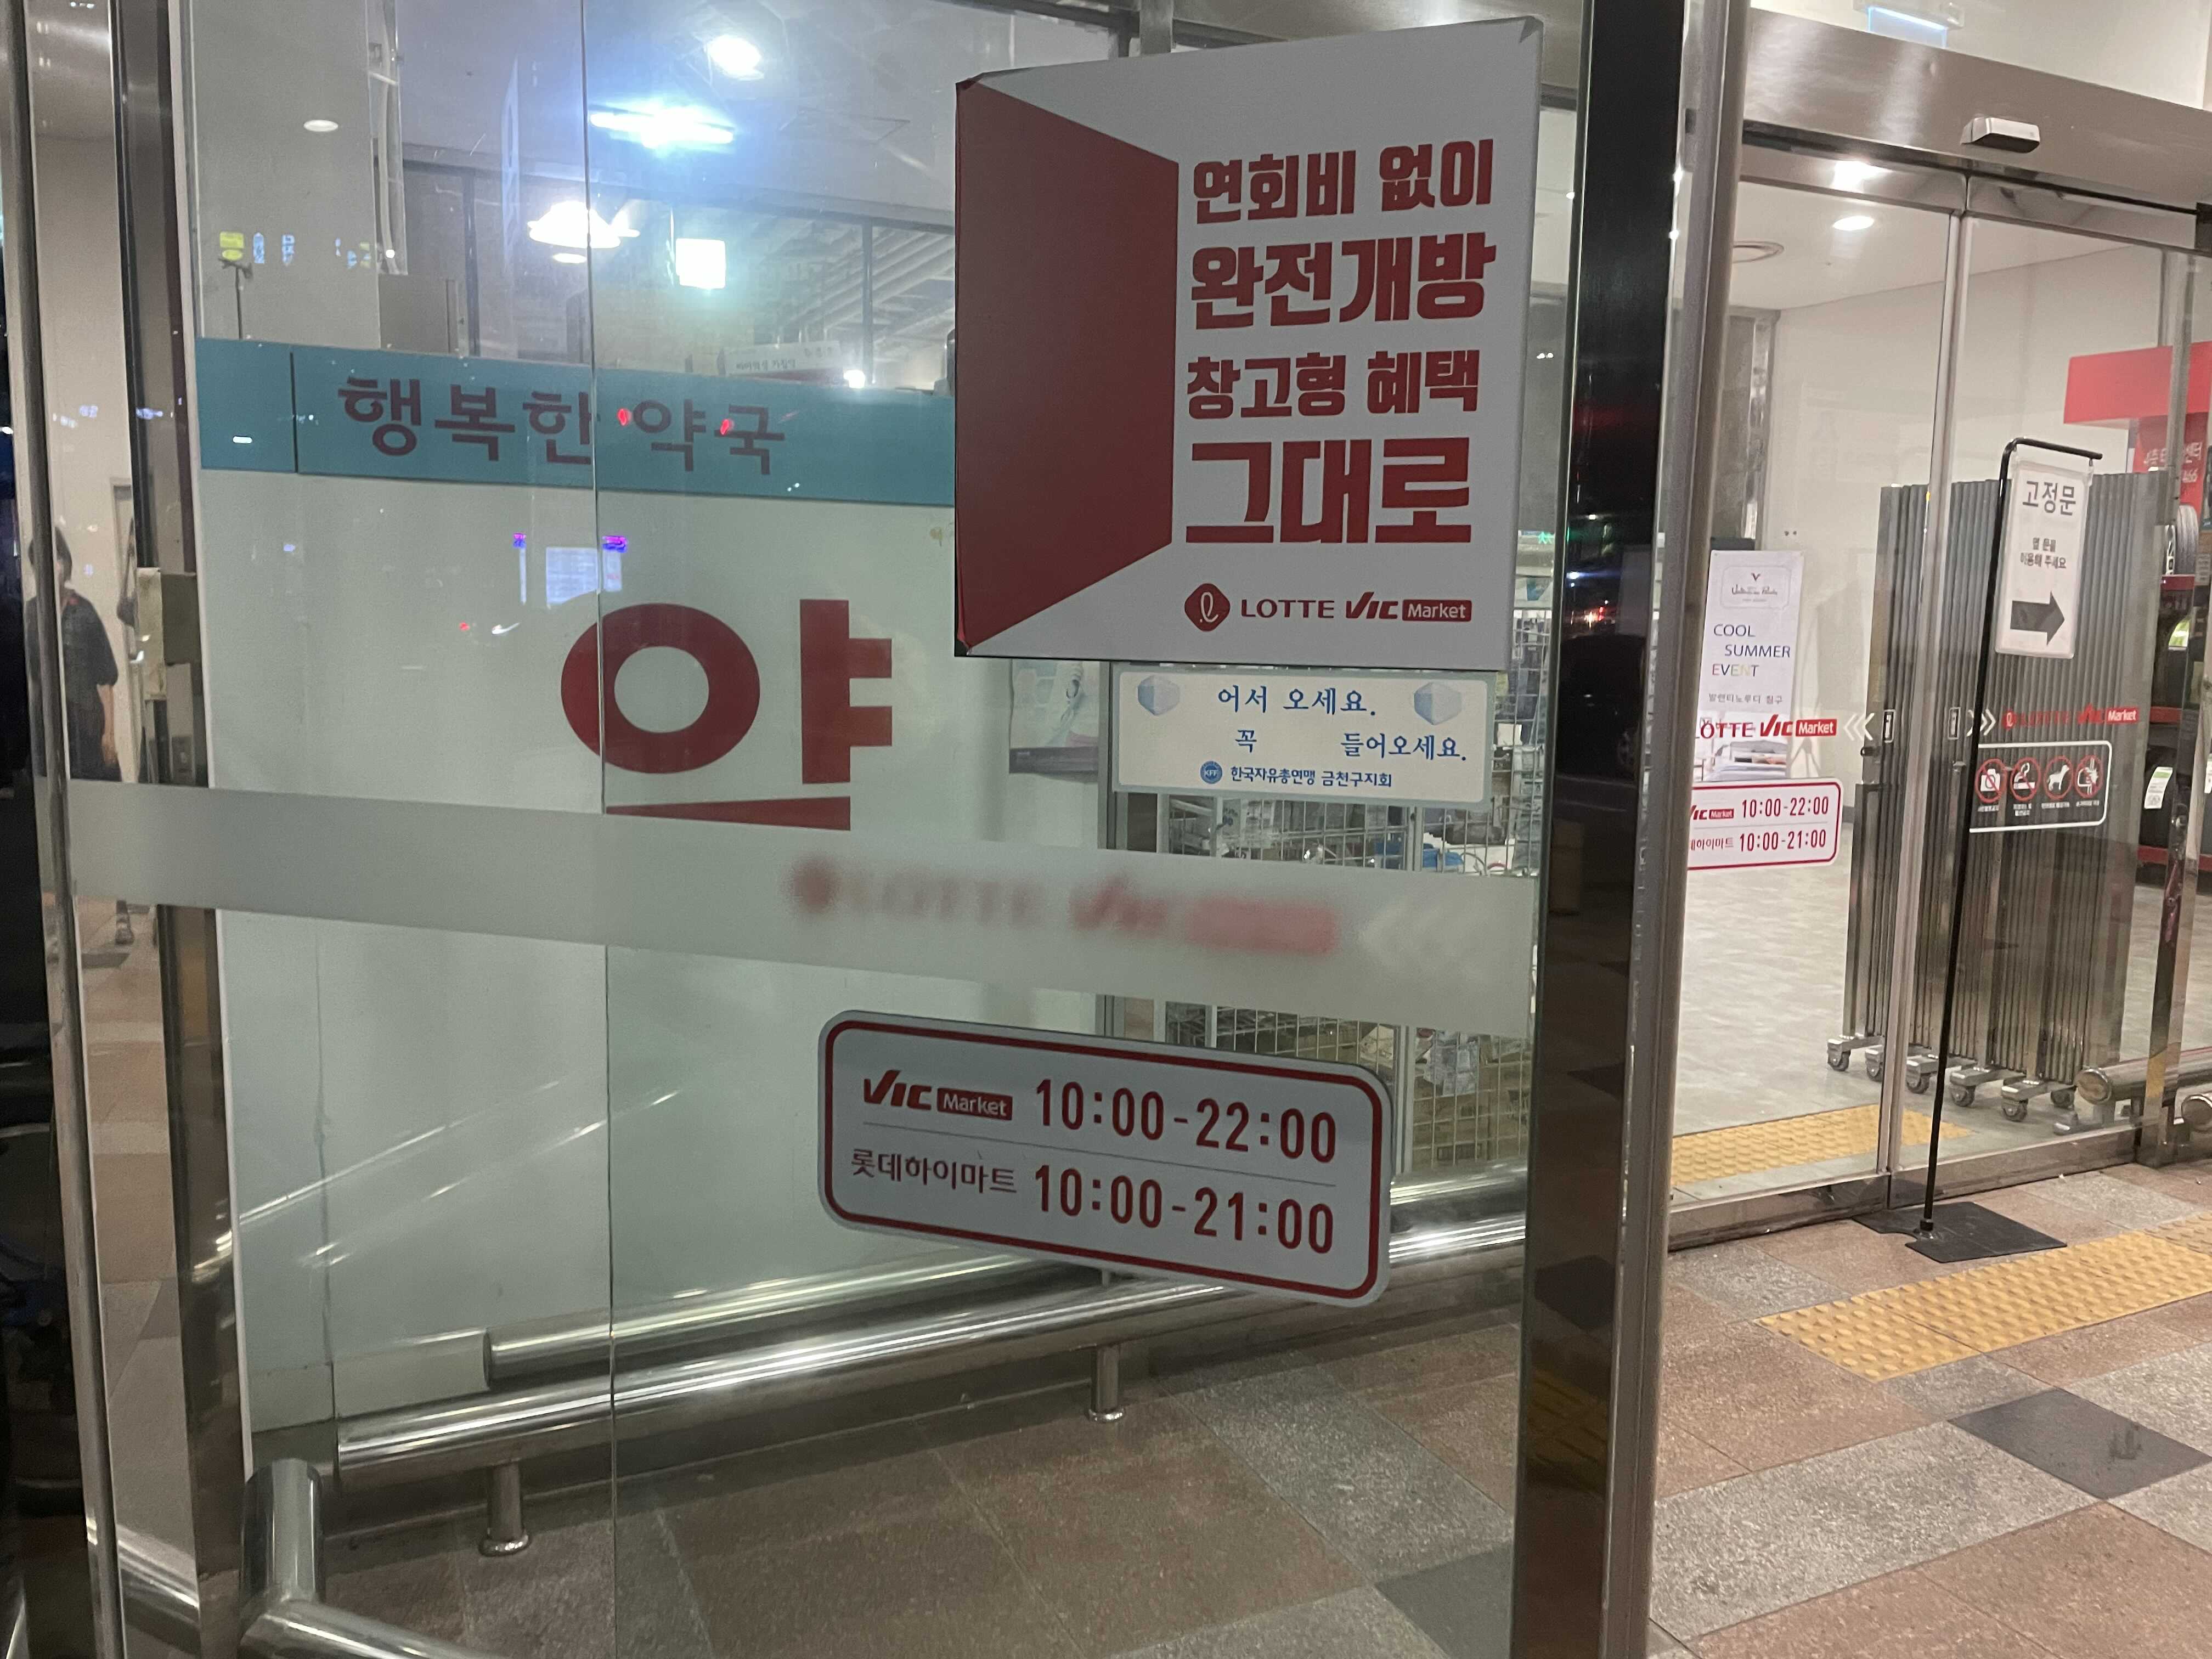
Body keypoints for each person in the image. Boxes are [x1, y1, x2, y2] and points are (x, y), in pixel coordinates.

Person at [54, 534, 132, 945]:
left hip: (90, 732)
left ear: (66, 562)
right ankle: (60, 924)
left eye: (58, 558)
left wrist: (110, 734)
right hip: (54, 738)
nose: (52, 567)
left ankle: (123, 913)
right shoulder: (31, 615)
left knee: (110, 822)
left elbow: (106, 679)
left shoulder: (83, 613)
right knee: (59, 832)